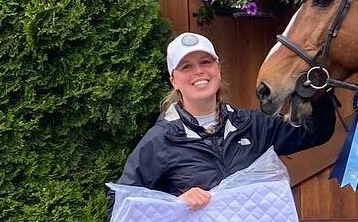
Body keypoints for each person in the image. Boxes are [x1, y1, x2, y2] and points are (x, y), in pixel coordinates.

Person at [117, 29, 337, 202]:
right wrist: (177, 203)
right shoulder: (160, 141)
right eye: (186, 66)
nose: (199, 71)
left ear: (218, 68)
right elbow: (121, 203)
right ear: (174, 80)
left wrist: (318, 88)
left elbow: (314, 132)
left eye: (205, 62)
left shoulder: (251, 125)